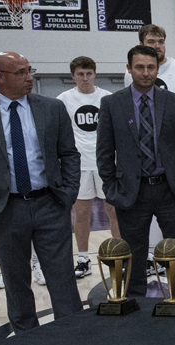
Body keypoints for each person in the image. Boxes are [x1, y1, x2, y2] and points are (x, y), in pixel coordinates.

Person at [0, 51, 83, 333]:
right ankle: (27, 343)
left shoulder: (52, 108)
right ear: (0, 77)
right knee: (15, 281)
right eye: (21, 72)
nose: (29, 77)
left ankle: (73, 339)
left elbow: (69, 154)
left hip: (50, 203)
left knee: (63, 280)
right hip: (4, 208)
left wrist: (68, 193)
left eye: (29, 70)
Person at [97, 45, 175, 298]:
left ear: (158, 68)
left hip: (171, 190)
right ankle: (135, 307)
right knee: (133, 254)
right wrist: (111, 188)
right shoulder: (111, 103)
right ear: (129, 68)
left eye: (151, 67)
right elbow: (105, 152)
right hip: (132, 191)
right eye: (139, 67)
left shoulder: (172, 101)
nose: (145, 72)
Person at [124, 24, 175, 273]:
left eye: (160, 41)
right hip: (137, 178)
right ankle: (148, 262)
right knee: (136, 248)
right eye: (151, 41)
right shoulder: (126, 83)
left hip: (173, 172)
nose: (157, 45)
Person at [56, 56, 117, 280]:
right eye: (80, 74)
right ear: (73, 75)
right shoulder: (63, 99)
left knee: (113, 211)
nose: (85, 78)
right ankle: (83, 259)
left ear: (94, 74)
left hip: (106, 162)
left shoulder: (107, 98)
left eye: (88, 73)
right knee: (81, 214)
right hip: (78, 165)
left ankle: (119, 255)